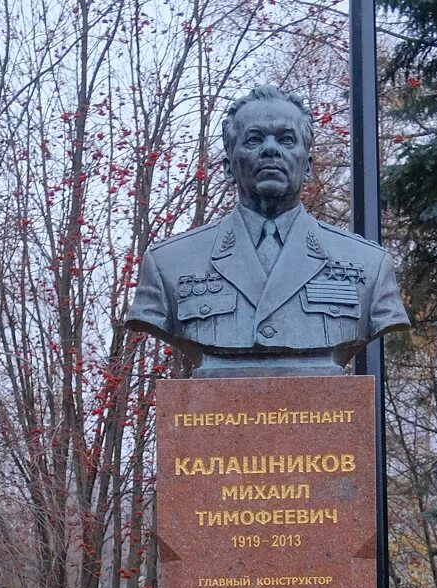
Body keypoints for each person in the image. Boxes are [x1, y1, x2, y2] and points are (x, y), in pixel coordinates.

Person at [125, 85, 408, 377]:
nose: (270, 149)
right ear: (228, 167)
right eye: (254, 139)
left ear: (307, 166)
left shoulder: (370, 265)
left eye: (286, 139)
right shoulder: (168, 264)